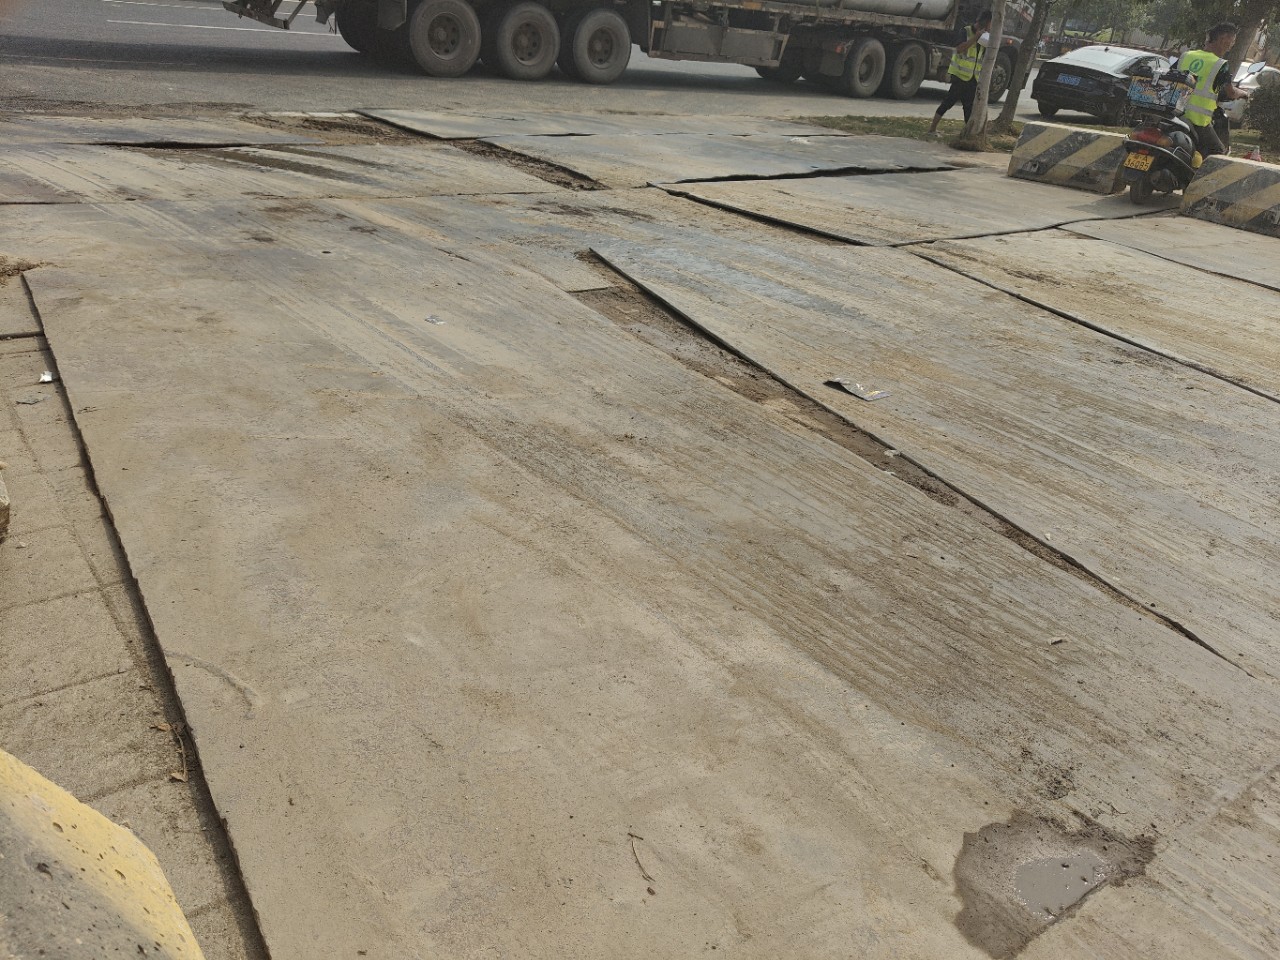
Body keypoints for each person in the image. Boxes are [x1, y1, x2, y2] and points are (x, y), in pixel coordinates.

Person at [1176, 22, 1249, 157]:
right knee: (1218, 153)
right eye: (1232, 40)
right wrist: (1244, 93)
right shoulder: (1220, 64)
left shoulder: (1186, 55)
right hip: (1198, 120)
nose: (1232, 45)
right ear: (1223, 39)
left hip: (1175, 115)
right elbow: (1231, 92)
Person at [927, 10, 992, 137]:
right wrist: (975, 38)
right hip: (960, 76)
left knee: (969, 108)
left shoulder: (985, 37)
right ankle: (932, 129)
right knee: (948, 102)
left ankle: (968, 135)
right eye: (991, 24)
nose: (991, 27)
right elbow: (959, 49)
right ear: (985, 22)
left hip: (973, 78)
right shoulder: (965, 31)